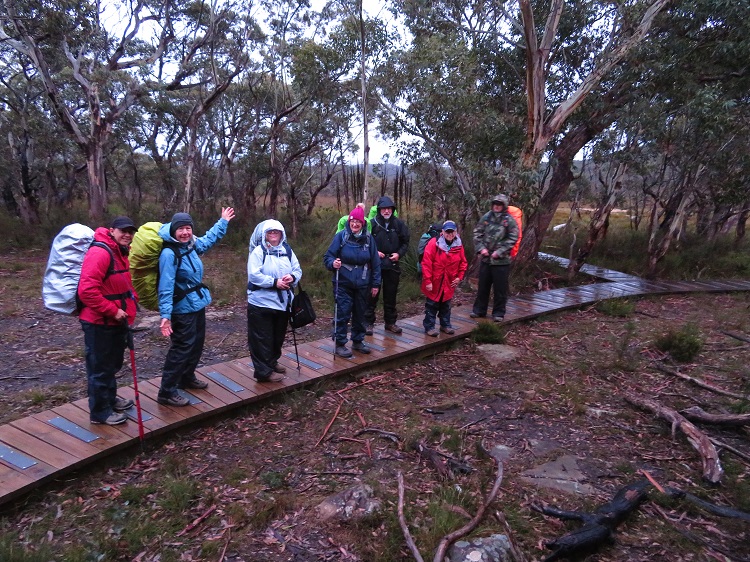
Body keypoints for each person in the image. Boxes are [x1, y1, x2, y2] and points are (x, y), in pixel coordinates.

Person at [157, 207, 235, 406]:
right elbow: (165, 286)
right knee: (182, 348)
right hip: (181, 309)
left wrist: (223, 222)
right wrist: (165, 315)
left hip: (197, 304)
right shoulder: (169, 253)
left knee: (196, 344)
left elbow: (208, 240)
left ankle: (186, 377)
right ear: (173, 231)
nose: (185, 232)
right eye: (180, 229)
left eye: (188, 228)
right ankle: (166, 391)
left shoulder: (190, 245)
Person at [78, 216, 139, 425]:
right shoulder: (100, 253)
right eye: (123, 231)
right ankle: (100, 412)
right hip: (99, 322)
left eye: (130, 231)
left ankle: (110, 399)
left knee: (111, 364)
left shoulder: (121, 252)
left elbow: (121, 282)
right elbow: (87, 291)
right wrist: (113, 311)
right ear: (111, 230)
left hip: (116, 321)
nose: (127, 235)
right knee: (100, 368)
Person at [247, 220, 302, 382]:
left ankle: (271, 362)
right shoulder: (258, 252)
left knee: (277, 336)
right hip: (261, 302)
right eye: (270, 232)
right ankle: (263, 372)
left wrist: (292, 277)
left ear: (281, 234)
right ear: (264, 235)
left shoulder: (287, 250)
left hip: (282, 303)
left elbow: (297, 269)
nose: (273, 235)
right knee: (261, 338)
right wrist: (274, 282)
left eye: (276, 232)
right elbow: (254, 275)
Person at [324, 206, 381, 358]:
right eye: (352, 221)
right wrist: (332, 263)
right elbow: (328, 257)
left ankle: (357, 340)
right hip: (343, 282)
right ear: (349, 222)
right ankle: (340, 343)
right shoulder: (341, 237)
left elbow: (375, 263)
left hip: (363, 283)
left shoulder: (369, 239)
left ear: (363, 223)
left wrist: (375, 284)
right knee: (343, 312)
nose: (355, 224)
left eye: (358, 222)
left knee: (360, 313)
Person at [365, 195, 410, 334]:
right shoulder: (371, 224)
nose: (386, 211)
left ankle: (390, 323)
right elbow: (365, 242)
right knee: (372, 295)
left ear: (392, 210)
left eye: (389, 208)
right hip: (375, 265)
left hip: (392, 263)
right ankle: (368, 323)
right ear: (379, 210)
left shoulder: (399, 224)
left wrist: (399, 254)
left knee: (391, 295)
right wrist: (375, 252)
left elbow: (405, 242)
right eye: (383, 209)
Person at [471, 194, 519, 322]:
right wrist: (481, 248)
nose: (496, 207)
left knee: (500, 289)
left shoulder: (508, 220)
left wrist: (500, 251)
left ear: (504, 206)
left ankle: (498, 313)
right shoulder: (486, 217)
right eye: (495, 204)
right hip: (486, 259)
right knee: (483, 287)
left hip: (501, 261)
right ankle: (479, 310)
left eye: (499, 204)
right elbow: (477, 233)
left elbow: (513, 238)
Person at [421, 220, 468, 336]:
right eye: (447, 232)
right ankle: (429, 327)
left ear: (456, 232)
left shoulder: (458, 245)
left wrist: (459, 277)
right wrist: (428, 281)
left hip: (449, 282)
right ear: (442, 232)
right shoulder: (433, 243)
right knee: (431, 305)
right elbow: (426, 263)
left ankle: (445, 325)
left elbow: (463, 263)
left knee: (446, 305)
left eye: (452, 232)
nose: (450, 234)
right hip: (434, 281)